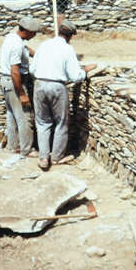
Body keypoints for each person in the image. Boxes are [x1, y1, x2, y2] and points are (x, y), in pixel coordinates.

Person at [30, 20, 96, 171]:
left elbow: (33, 69)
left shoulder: (44, 45)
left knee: (42, 122)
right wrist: (84, 71)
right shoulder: (67, 49)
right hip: (57, 86)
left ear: (58, 31)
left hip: (39, 84)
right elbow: (75, 76)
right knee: (61, 123)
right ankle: (57, 156)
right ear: (70, 36)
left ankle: (43, 158)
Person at [0, 15, 44, 157]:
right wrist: (22, 94)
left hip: (5, 81)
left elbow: (27, 49)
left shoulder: (13, 38)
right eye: (34, 32)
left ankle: (14, 146)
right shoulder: (16, 46)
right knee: (25, 117)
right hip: (14, 82)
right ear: (27, 31)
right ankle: (27, 149)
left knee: (12, 114)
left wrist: (39, 55)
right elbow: (15, 72)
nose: (35, 35)